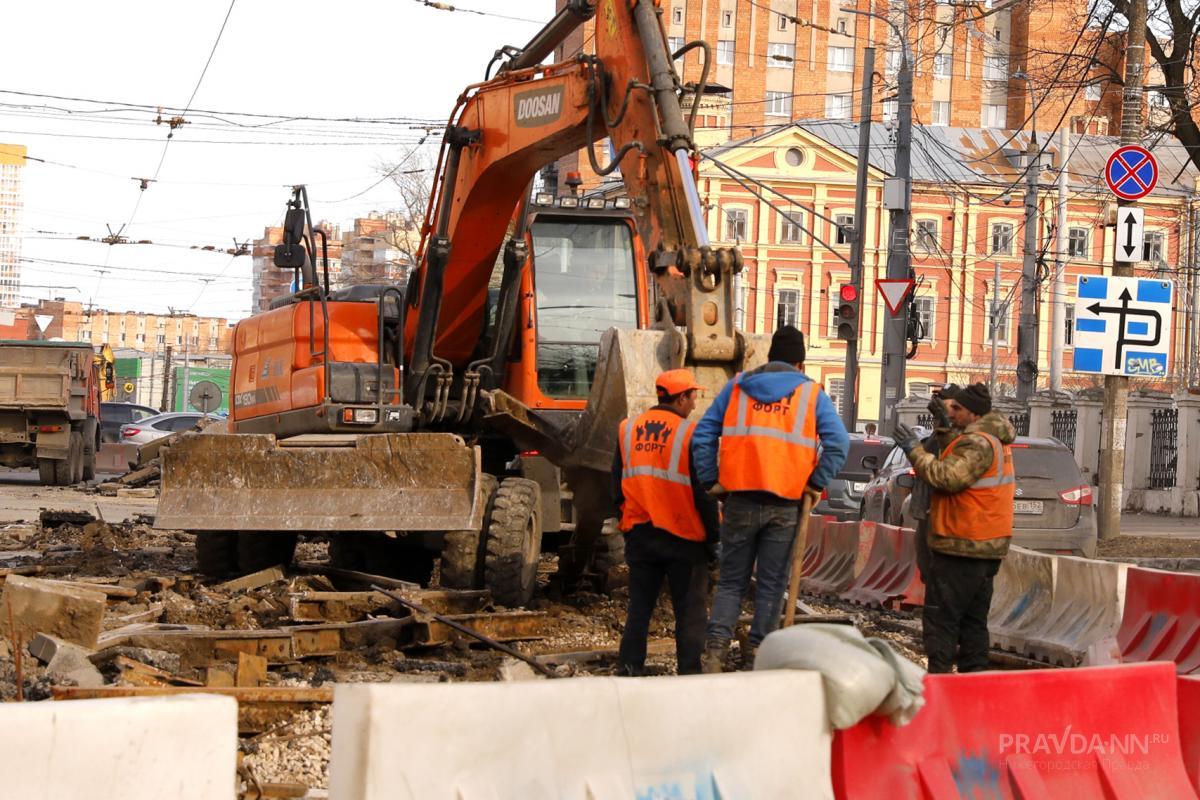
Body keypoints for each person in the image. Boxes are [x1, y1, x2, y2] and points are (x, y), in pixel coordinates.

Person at [691, 325, 849, 672]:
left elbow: (701, 435)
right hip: (786, 503)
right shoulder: (811, 394)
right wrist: (815, 482)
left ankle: (715, 652)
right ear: (800, 363)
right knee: (771, 583)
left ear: (770, 357)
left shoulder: (737, 388)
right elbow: (839, 443)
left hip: (740, 499)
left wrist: (710, 481)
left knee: (732, 581)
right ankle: (759, 656)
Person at [892, 383, 1015, 674]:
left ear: (972, 413)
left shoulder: (978, 443)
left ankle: (941, 686)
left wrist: (915, 451)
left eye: (957, 409)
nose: (952, 412)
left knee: (941, 621)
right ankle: (973, 689)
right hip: (984, 546)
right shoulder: (990, 439)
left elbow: (946, 477)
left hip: (962, 545)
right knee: (973, 624)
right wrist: (947, 431)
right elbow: (957, 460)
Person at [613, 368, 720, 676]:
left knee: (639, 610)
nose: (695, 404)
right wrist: (714, 538)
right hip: (684, 538)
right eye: (693, 396)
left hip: (641, 536)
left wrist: (626, 519)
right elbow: (704, 492)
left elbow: (615, 483)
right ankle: (689, 676)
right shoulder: (690, 433)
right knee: (690, 614)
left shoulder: (628, 428)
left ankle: (629, 670)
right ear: (681, 398)